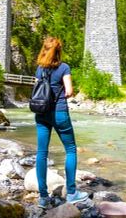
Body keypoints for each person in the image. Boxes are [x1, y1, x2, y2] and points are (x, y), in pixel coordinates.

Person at [34, 36, 89, 209]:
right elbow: (69, 91)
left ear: (44, 50)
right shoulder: (64, 67)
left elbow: (36, 90)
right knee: (71, 150)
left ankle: (43, 197)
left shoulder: (39, 69)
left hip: (41, 113)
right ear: (58, 51)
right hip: (59, 113)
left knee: (42, 152)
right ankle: (72, 193)